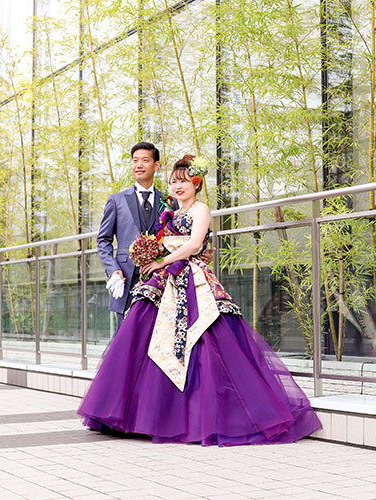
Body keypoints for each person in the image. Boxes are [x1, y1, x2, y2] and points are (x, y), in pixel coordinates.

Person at [78, 155, 322, 446]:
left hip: (191, 277)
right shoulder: (169, 213)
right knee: (148, 336)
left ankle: (201, 417)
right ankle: (147, 416)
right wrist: (152, 255)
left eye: (183, 181)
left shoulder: (201, 209)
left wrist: (163, 260)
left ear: (196, 182)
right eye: (174, 181)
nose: (178, 186)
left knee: (204, 338)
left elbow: (194, 244)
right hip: (165, 278)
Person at [97, 142, 177, 330]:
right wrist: (113, 270)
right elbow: (103, 241)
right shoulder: (116, 201)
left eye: (145, 160)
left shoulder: (168, 202)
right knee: (125, 338)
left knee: (156, 338)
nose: (138, 165)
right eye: (135, 161)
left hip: (160, 279)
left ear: (156, 165)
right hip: (126, 278)